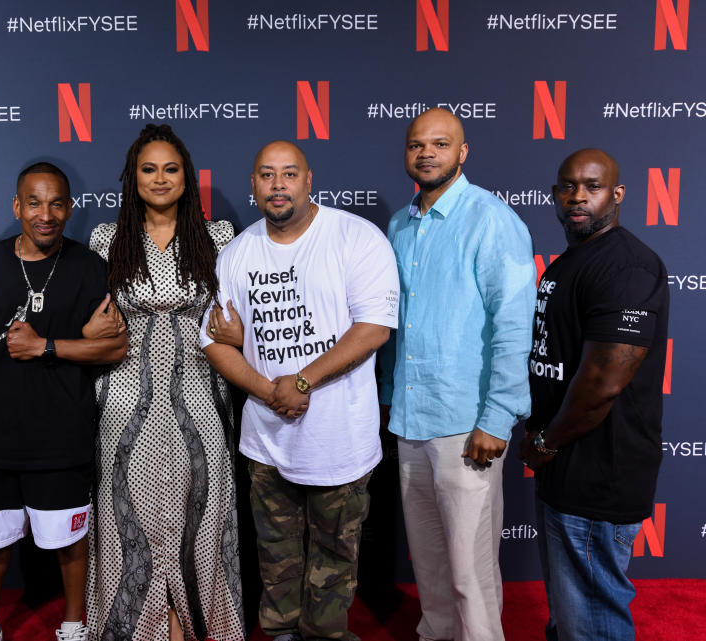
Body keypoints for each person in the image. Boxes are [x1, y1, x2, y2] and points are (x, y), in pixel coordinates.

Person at [201, 140, 399, 641]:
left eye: (289, 174)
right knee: (276, 555)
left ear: (309, 180)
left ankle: (326, 635)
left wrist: (303, 381)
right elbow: (216, 344)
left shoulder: (356, 237)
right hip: (267, 442)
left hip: (340, 439)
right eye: (266, 175)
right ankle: (283, 633)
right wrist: (271, 391)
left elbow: (374, 327)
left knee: (335, 559)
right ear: (253, 185)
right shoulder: (236, 253)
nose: (278, 185)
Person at [0, 162, 127, 641]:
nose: (46, 214)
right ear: (17, 206)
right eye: (35, 202)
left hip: (61, 432)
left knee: (69, 542)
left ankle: (72, 625)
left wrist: (45, 345)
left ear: (69, 207)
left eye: (57, 203)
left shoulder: (89, 266)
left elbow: (113, 346)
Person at [378, 108, 535, 641]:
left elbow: (514, 325)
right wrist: (386, 399)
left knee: (471, 572)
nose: (427, 153)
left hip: (468, 425)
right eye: (417, 144)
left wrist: (497, 419)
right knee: (431, 569)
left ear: (462, 152)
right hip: (409, 420)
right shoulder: (400, 224)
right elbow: (394, 325)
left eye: (440, 144)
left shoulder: (491, 219)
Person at [86, 124, 245, 641]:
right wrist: (86, 332)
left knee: (200, 522)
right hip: (122, 403)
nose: (159, 179)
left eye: (170, 169)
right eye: (148, 169)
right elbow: (91, 324)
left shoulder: (219, 238)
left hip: (202, 402)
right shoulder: (107, 240)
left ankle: (199, 626)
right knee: (129, 527)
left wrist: (239, 333)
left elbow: (239, 319)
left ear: (187, 177)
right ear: (133, 178)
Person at [521, 149, 669, 641]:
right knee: (570, 614)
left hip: (599, 474)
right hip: (566, 469)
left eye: (593, 186)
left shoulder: (627, 266)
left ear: (618, 194)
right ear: (555, 195)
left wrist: (545, 444)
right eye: (568, 186)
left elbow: (604, 379)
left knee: (591, 619)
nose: (578, 196)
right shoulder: (571, 262)